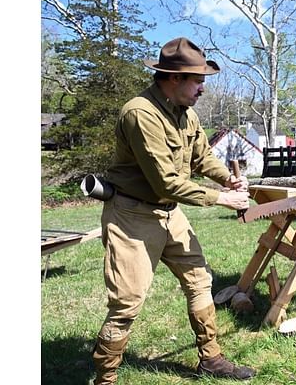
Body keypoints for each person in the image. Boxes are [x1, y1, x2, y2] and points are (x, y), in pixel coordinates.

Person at [91, 37, 256, 384]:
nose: (202, 89)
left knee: (200, 281)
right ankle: (105, 379)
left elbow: (201, 156)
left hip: (169, 214)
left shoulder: (187, 115)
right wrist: (221, 199)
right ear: (174, 78)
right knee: (127, 303)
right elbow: (165, 181)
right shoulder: (141, 113)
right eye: (198, 81)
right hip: (132, 216)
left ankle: (211, 359)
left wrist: (226, 179)